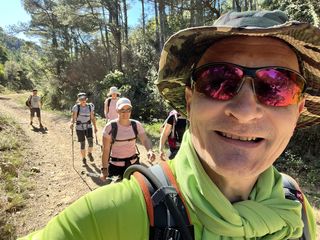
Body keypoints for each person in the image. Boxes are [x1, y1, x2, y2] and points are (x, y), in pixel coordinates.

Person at [19, 10, 319, 240]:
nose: (244, 111)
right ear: (189, 102)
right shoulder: (109, 217)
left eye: (277, 87)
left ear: (298, 110)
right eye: (218, 81)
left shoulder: (296, 208)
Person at [100, 97, 156, 180]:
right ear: (117, 110)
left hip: (133, 165)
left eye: (128, 110)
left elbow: (145, 139)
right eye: (122, 110)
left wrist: (149, 150)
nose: (125, 113)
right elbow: (106, 150)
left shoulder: (136, 125)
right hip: (115, 166)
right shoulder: (110, 127)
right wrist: (104, 169)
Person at [70, 93, 97, 164]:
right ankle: (84, 158)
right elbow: (73, 118)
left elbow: (92, 117)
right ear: (79, 100)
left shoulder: (90, 106)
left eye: (84, 99)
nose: (83, 100)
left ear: (86, 99)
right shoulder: (76, 107)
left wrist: (95, 127)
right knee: (83, 143)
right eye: (81, 99)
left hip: (88, 126)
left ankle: (89, 154)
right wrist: (71, 123)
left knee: (90, 142)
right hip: (79, 128)